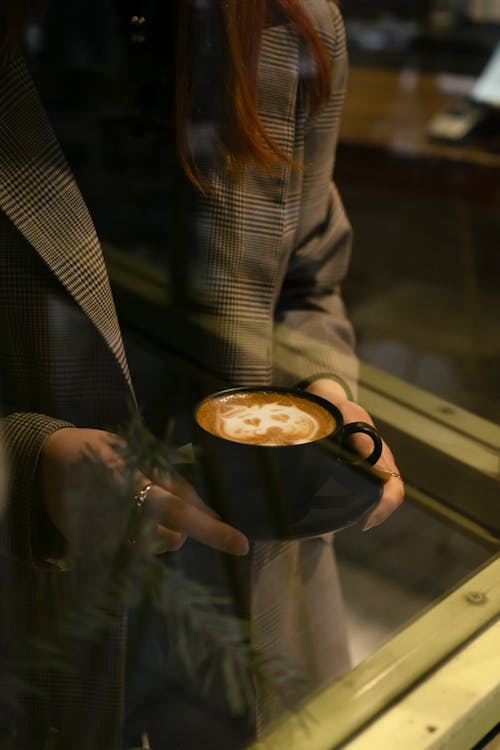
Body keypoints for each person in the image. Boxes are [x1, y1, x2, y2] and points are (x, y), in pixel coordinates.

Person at [0, 0, 404, 747]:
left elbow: (306, 282)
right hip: (38, 598)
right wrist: (32, 465)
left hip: (261, 592)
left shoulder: (295, 26)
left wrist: (323, 393)